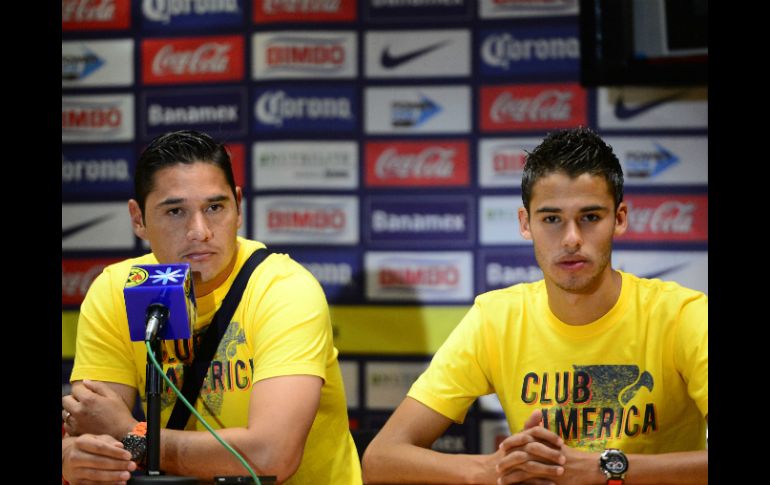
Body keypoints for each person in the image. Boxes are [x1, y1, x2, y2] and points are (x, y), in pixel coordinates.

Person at [361, 127, 708, 484]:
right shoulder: (496, 318)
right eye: (552, 219)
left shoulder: (683, 316)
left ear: (619, 219)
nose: (572, 239)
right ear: (526, 224)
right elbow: (380, 459)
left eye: (590, 217)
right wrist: (491, 470)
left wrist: (606, 468)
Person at [61, 130, 362, 484]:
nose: (199, 231)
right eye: (175, 211)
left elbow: (270, 458)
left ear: (238, 206)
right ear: (138, 218)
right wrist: (74, 457)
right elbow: (92, 429)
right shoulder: (118, 289)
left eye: (214, 207)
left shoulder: (283, 289)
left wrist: (133, 435)